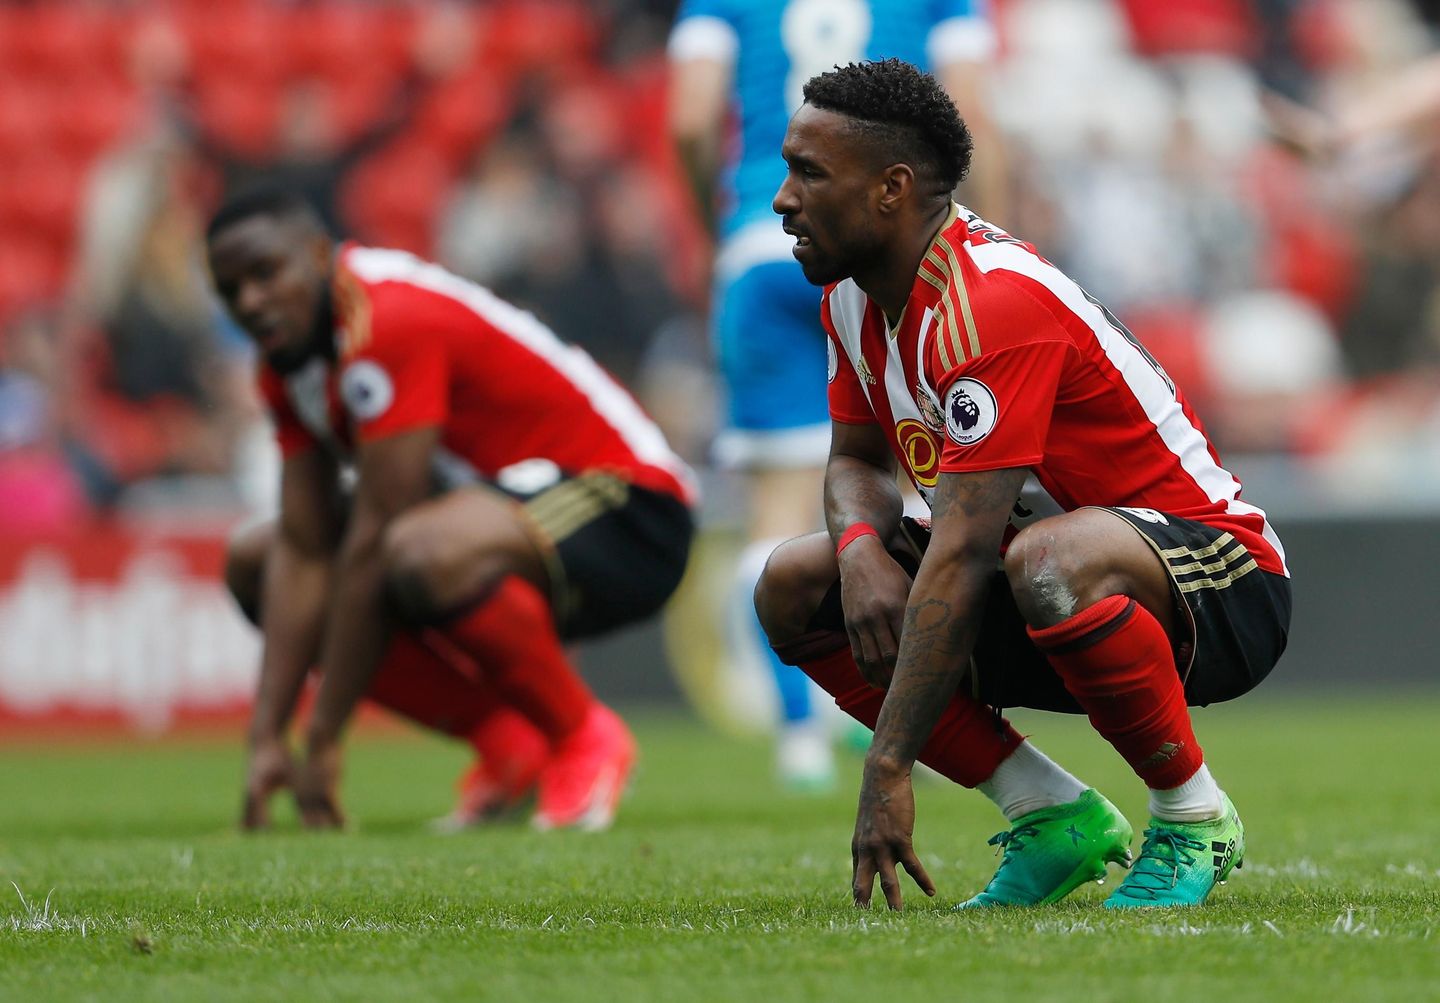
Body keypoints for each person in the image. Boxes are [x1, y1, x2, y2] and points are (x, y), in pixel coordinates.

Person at [754, 60, 1291, 909]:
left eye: (808, 172)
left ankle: (1194, 816)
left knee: (1046, 557)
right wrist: (858, 549)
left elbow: (965, 551)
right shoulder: (854, 299)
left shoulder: (992, 304)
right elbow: (858, 460)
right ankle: (1051, 815)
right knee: (795, 583)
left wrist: (886, 763)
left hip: (1223, 580)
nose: (783, 197)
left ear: (892, 188)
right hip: (1041, 575)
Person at [207, 189, 696, 832]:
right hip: (495, 514)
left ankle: (582, 736)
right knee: (256, 561)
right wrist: (269, 736)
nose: (251, 302)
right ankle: (510, 745)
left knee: (415, 550)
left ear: (319, 255)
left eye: (266, 274)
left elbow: (379, 530)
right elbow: (303, 547)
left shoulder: (385, 316)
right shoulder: (288, 363)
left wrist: (324, 737)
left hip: (630, 506)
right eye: (230, 289)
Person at [668, 0, 1006, 790]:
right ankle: (909, 718)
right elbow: (975, 121)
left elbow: (689, 121)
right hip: (896, 244)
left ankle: (798, 737)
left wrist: (721, 234)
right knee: (913, 490)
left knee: (780, 509)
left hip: (766, 243)